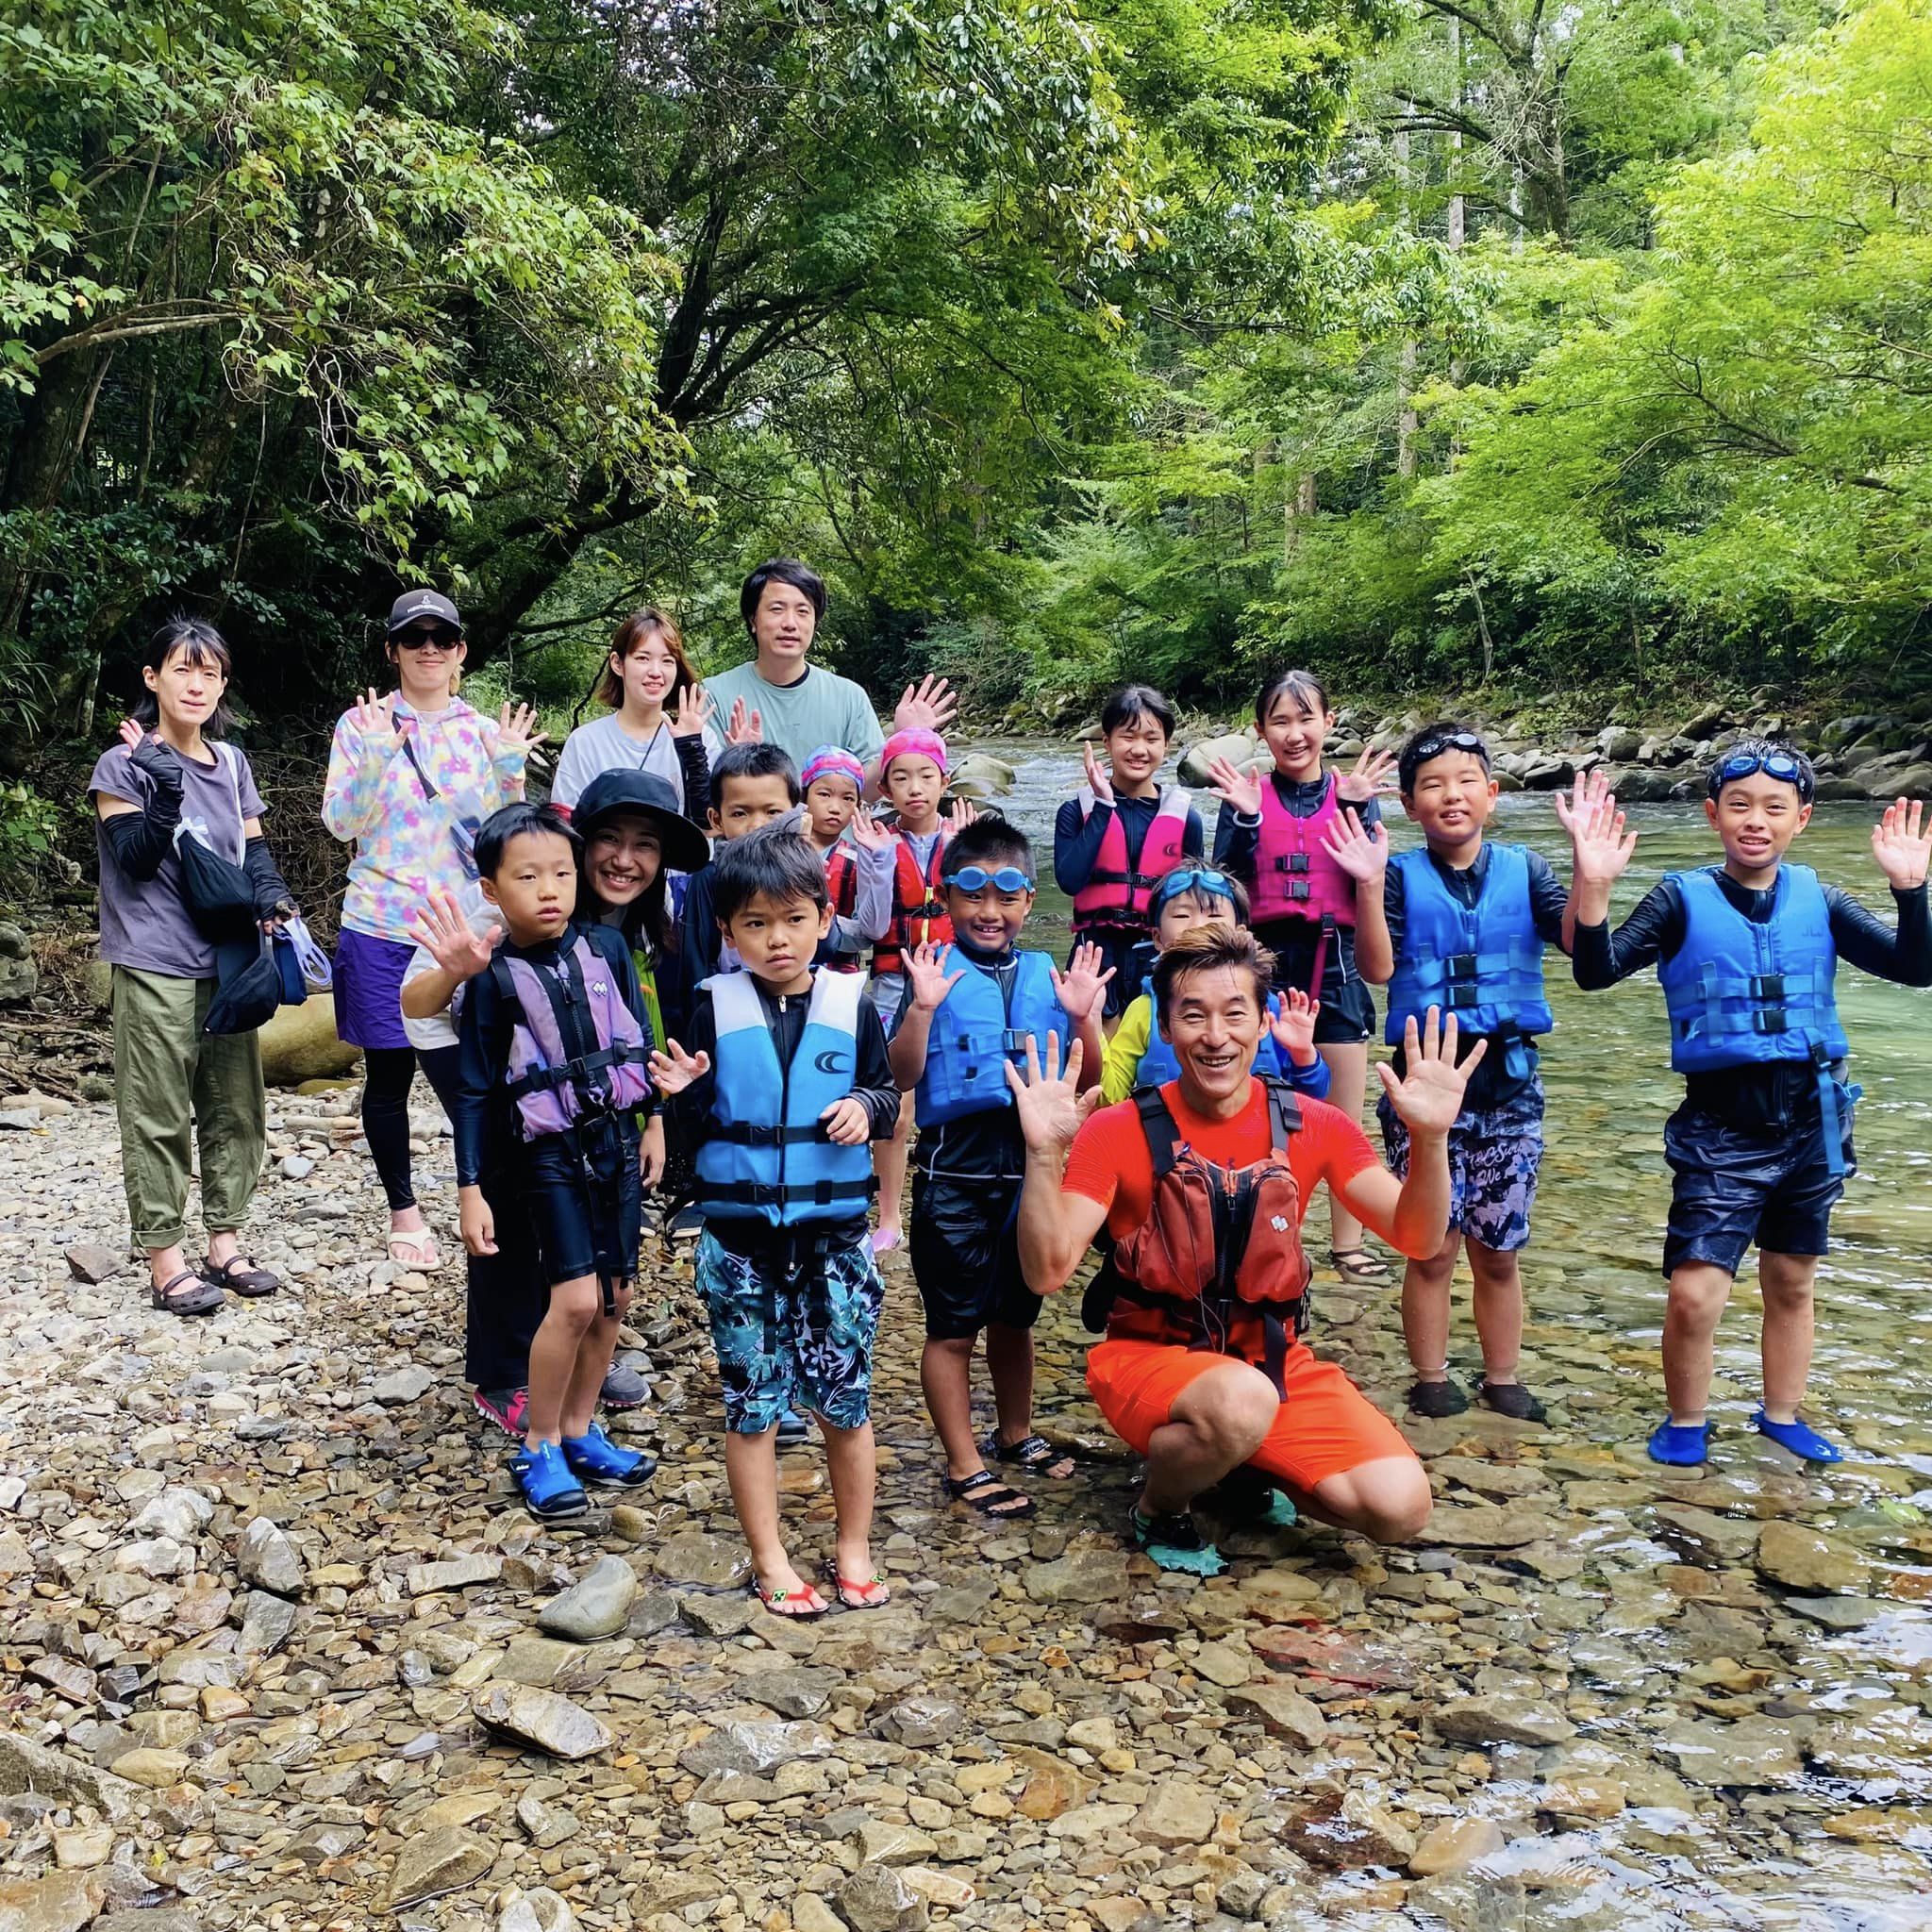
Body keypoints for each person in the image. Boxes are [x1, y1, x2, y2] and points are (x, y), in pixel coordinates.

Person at [1013, 924, 1479, 1574]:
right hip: (1149, 1361)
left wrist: (1430, 1140)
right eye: (1193, 1015)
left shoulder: (1313, 1123)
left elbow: (1419, 1237)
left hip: (1272, 1363)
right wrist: (1043, 1153)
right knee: (1240, 1401)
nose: (1215, 1035)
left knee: (1399, 1510)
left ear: (1263, 1023)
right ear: (1166, 1028)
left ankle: (1235, 1464)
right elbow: (1046, 1271)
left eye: (1235, 1014)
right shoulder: (1118, 1130)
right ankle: (1160, 1504)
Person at [1564, 749, 1932, 1465]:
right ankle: (1686, 1418)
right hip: (1720, 1123)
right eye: (1738, 804)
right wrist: (1597, 891)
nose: (1755, 820)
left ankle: (1783, 1414)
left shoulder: (1821, 898)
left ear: (1803, 819)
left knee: (1792, 1279)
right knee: (1695, 1295)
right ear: (1712, 815)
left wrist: (1911, 891)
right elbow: (1595, 973)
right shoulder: (1677, 898)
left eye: (1773, 807)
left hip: (1812, 1117)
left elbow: (1916, 970)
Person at [403, 768, 708, 1432]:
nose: (625, 860)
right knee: (510, 1199)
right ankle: (505, 1370)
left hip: (587, 1079)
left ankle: (571, 1358)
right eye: (610, 841)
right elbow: (417, 1010)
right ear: (582, 839)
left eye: (646, 846)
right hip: (461, 1043)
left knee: (591, 1219)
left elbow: (638, 1029)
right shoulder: (498, 906)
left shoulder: (627, 927)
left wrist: (653, 1114)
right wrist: (458, 972)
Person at [649, 828, 901, 1615]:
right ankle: (771, 1557)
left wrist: (864, 1106)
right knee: (752, 1405)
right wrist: (684, 1095)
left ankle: (853, 1546)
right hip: (741, 1243)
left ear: (824, 919)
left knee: (846, 1402)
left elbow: (888, 1095)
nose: (776, 938)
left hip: (834, 1243)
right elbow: (689, 1141)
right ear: (727, 934)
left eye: (792, 919)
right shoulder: (707, 1008)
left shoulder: (850, 1004)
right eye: (754, 924)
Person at [1347, 723, 1574, 1424]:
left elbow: (1579, 945)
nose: (1452, 796)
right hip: (1421, 1085)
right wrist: (1365, 883)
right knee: (1433, 1248)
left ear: (1493, 795)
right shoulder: (1398, 873)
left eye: (1466, 781)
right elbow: (1378, 970)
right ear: (1410, 806)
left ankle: (1503, 1378)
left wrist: (1591, 870)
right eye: (1433, 786)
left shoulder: (1529, 870)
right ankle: (1431, 1375)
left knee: (1499, 1252)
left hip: (1508, 1085)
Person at [887, 816, 1111, 1520]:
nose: (990, 912)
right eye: (973, 895)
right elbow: (901, 1073)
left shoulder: (1051, 975)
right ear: (947, 898)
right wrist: (922, 1011)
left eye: (1007, 896)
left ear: (1028, 900)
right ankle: (963, 1463)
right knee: (952, 1329)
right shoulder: (932, 974)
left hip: (1031, 1177)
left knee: (1018, 1320)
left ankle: (1015, 1435)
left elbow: (1086, 1084)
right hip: (954, 1179)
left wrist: (1084, 1023)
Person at [322, 589, 545, 1269]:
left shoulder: (484, 731)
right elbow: (342, 825)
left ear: (460, 653)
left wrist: (511, 769)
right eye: (413, 638)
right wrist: (379, 758)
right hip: (381, 924)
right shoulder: (360, 725)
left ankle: (483, 1193)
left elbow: (508, 840)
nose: (428, 650)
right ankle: (404, 1211)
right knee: (388, 1076)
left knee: (472, 1076)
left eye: (441, 639)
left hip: (460, 931)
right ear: (392, 651)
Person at [451, 803, 659, 1518]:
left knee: (615, 1299)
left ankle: (578, 1427)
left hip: (617, 1142)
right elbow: (476, 1090)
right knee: (572, 1300)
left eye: (563, 874)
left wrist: (654, 1120)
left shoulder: (605, 948)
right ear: (491, 888)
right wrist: (470, 1187)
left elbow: (641, 1038)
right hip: (549, 1152)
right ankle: (539, 1441)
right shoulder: (490, 981)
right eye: (528, 876)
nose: (550, 890)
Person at [92, 617, 292, 1314]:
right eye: (183, 669)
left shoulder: (233, 762)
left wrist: (272, 896)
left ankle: (225, 1243)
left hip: (230, 955)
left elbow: (255, 848)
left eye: (210, 672)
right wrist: (165, 786)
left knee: (235, 1106)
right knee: (156, 1113)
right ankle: (166, 1259)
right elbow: (137, 859)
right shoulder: (121, 764)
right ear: (153, 679)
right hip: (154, 958)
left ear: (223, 683)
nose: (197, 683)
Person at [1210, 670, 1398, 1289]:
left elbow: (1367, 876)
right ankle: (1260, 1238)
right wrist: (1239, 820)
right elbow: (1224, 889)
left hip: (1334, 966)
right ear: (1260, 730)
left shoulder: (1354, 793)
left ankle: (1347, 1245)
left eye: (1306, 718)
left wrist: (1358, 806)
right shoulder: (1244, 796)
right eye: (1280, 721)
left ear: (1328, 721)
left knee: (1341, 1120)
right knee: (1258, 1116)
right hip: (1262, 969)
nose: (1295, 734)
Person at [700, 558, 958, 782]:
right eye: (777, 609)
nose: (790, 623)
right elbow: (702, 795)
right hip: (749, 840)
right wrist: (739, 764)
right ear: (753, 620)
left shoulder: (849, 697)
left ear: (815, 622)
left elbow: (867, 792)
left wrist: (903, 740)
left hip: (837, 841)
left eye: (803, 611)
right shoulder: (715, 695)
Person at [867, 729, 975, 1254]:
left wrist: (970, 852)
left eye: (926, 776)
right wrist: (875, 860)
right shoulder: (876, 841)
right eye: (901, 777)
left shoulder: (964, 839)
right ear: (885, 787)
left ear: (944, 781)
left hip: (953, 972)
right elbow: (868, 919)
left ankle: (956, 1199)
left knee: (958, 1091)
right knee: (898, 1104)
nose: (914, 788)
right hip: (894, 978)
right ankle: (890, 1216)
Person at [1102, 866, 1331, 1106]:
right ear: (1157, 938)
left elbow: (1312, 1097)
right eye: (1182, 915)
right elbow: (1109, 1095)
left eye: (1214, 916)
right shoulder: (1144, 1010)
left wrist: (1303, 1054)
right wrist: (1087, 1022)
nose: (1199, 926)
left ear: (1241, 933)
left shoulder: (1268, 1009)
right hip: (1166, 1136)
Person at [1054, 685, 1204, 1024]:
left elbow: (1197, 903)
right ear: (1107, 742)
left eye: (1152, 739)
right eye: (1128, 737)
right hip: (1094, 953)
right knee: (1098, 1067)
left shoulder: (1186, 819)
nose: (1139, 749)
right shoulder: (1077, 812)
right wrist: (1104, 806)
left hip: (1157, 956)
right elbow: (1070, 880)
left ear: (1166, 745)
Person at [549, 608, 721, 821]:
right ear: (617, 663)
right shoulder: (585, 742)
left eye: (667, 661)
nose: (656, 672)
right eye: (643, 658)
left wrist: (692, 747)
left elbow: (713, 824)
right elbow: (563, 825)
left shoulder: (701, 738)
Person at [800, 745, 896, 973]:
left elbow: (870, 933)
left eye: (847, 798)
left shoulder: (856, 859)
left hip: (838, 975)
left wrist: (881, 860)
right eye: (824, 794)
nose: (835, 807)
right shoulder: (779, 850)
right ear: (804, 796)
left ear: (857, 806)